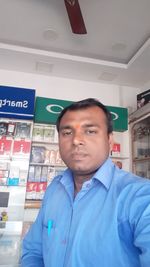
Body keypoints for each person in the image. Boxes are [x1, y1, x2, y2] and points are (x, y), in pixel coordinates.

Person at [21, 98, 150, 267]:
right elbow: (33, 251)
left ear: (110, 140)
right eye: (67, 133)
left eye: (90, 131)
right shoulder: (54, 188)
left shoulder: (140, 196)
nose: (76, 140)